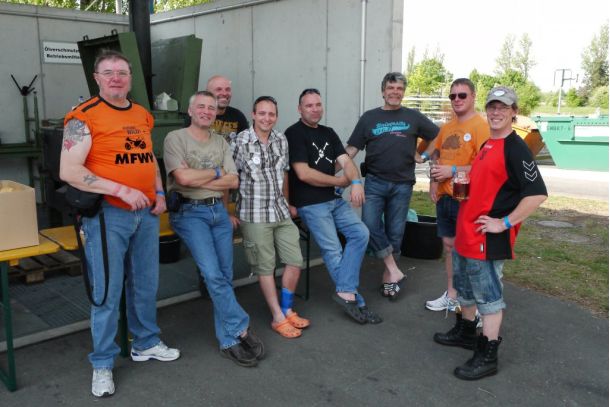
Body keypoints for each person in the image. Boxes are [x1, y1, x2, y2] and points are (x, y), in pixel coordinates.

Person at [60, 50, 180, 398]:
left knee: (145, 283)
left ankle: (145, 342)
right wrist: (121, 190)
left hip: (146, 214)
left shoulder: (142, 114)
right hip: (108, 215)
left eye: (122, 72)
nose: (116, 78)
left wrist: (159, 192)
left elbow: (148, 157)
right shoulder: (82, 117)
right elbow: (69, 170)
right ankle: (102, 363)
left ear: (130, 78)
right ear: (96, 78)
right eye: (108, 72)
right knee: (107, 293)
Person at [433, 87, 547, 380]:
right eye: (492, 107)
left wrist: (504, 223)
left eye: (503, 107)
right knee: (465, 289)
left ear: (514, 112)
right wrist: (465, 182)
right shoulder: (488, 143)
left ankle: (488, 354)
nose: (496, 112)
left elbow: (537, 194)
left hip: (487, 237)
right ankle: (466, 332)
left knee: (488, 297)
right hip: (466, 232)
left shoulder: (515, 148)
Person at [163, 91, 264, 367]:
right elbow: (182, 178)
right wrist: (217, 173)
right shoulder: (175, 138)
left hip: (217, 212)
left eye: (211, 107)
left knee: (225, 276)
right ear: (190, 111)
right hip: (189, 213)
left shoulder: (220, 141)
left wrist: (203, 177)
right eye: (201, 107)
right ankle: (241, 327)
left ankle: (228, 340)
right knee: (212, 274)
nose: (207, 111)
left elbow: (233, 181)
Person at [286, 88, 382, 324]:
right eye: (309, 105)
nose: (314, 109)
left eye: (318, 104)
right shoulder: (294, 133)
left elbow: (346, 161)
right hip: (310, 203)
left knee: (360, 233)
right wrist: (340, 182)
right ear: (299, 109)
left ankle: (345, 292)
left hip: (333, 200)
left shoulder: (328, 132)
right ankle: (357, 301)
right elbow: (304, 173)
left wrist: (356, 182)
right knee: (333, 250)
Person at [346, 72, 439, 301]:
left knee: (395, 233)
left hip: (403, 184)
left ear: (403, 92)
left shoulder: (413, 117)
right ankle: (394, 268)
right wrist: (332, 169)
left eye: (399, 88)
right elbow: (351, 149)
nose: (395, 92)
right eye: (391, 88)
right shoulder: (369, 118)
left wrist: (424, 156)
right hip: (375, 183)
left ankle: (389, 278)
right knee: (369, 225)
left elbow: (439, 135)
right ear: (383, 91)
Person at [232, 96, 310, 338]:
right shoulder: (240, 141)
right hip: (254, 213)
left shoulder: (280, 139)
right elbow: (229, 177)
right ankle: (277, 317)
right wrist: (227, 211)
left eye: (271, 114)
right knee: (265, 267)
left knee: (295, 260)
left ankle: (287, 309)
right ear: (253, 115)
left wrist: (287, 202)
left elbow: (284, 173)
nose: (267, 118)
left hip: (279, 210)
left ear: (276, 116)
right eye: (262, 113)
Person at [418, 78, 490, 313]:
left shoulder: (481, 127)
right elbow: (437, 155)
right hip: (446, 198)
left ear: (473, 97)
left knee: (468, 251)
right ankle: (452, 295)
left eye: (462, 95)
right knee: (449, 247)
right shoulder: (447, 127)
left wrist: (453, 170)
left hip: (467, 200)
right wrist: (433, 182)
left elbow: (485, 167)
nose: (457, 100)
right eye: (453, 96)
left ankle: (474, 304)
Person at [206, 75, 249, 143]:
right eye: (219, 89)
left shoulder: (238, 116)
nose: (224, 93)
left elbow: (245, 144)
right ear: (208, 93)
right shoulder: (198, 114)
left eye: (227, 89)